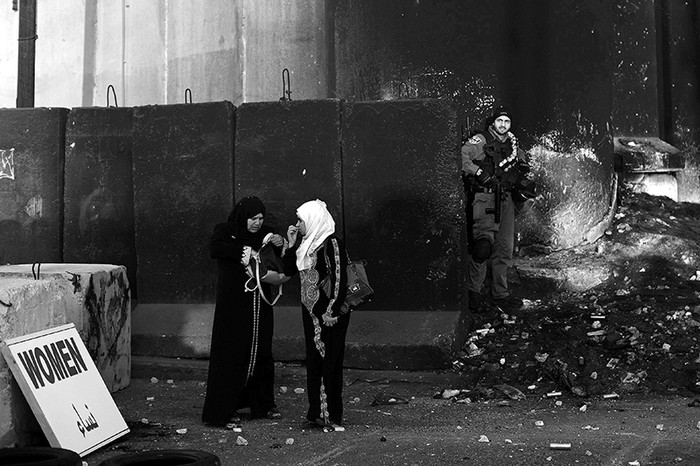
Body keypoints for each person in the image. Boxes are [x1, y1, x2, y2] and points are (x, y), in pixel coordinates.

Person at [202, 196, 289, 426]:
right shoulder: (225, 231)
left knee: (262, 353)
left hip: (260, 306)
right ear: (243, 217)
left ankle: (263, 404)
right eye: (253, 218)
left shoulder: (267, 234)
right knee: (231, 354)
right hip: (233, 308)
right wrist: (245, 252)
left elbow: (280, 262)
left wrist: (282, 243)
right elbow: (216, 248)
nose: (257, 223)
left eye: (261, 218)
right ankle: (224, 408)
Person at [461, 106, 536, 313]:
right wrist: (478, 172)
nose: (503, 125)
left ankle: (500, 294)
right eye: (500, 121)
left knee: (504, 249)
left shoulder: (514, 145)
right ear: (493, 123)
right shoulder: (481, 140)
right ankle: (473, 292)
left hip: (506, 199)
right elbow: (461, 157)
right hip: (485, 197)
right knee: (483, 246)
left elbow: (523, 166)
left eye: (507, 122)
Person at [283, 199, 350, 429]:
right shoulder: (306, 245)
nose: (298, 224)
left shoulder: (331, 243)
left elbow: (340, 278)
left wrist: (331, 311)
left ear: (313, 219)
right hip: (311, 315)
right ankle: (316, 411)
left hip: (329, 315)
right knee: (314, 361)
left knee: (330, 362)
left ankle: (331, 413)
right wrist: (291, 245)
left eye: (301, 219)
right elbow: (288, 270)